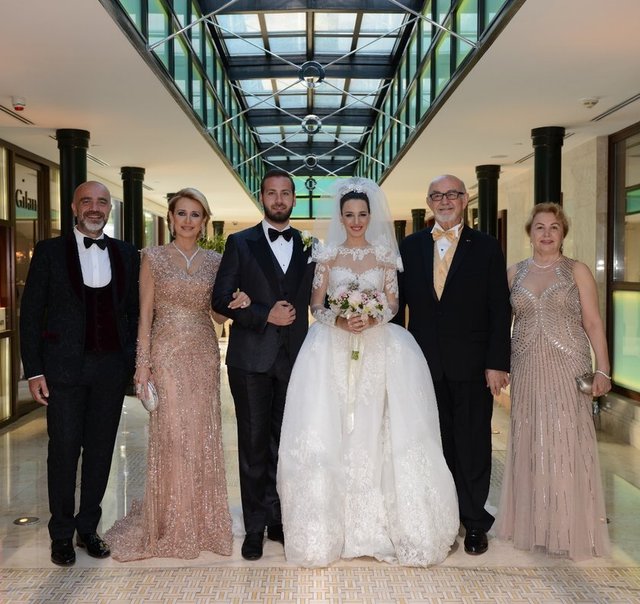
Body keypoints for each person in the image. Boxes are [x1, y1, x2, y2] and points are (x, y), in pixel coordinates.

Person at [277, 177, 459, 568]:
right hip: (332, 348)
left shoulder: (385, 255)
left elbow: (393, 303)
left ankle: (383, 524)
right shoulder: (327, 255)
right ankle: (331, 528)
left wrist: (374, 316)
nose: (356, 221)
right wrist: (341, 320)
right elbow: (315, 305)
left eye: (362, 214)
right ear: (340, 217)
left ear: (370, 215)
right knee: (335, 427)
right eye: (349, 214)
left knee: (379, 428)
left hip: (379, 347)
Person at [105, 188, 248, 561]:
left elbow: (216, 315)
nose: (187, 220)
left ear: (203, 221)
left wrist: (236, 303)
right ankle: (171, 518)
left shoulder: (216, 261)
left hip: (203, 355)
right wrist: (142, 364)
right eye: (181, 213)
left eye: (195, 214)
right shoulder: (152, 258)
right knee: (172, 435)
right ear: (170, 218)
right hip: (166, 354)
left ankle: (201, 517)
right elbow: (145, 314)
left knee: (201, 435)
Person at [19, 181, 139, 566]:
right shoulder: (49, 252)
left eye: (102, 202)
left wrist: (131, 362)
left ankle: (88, 528)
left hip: (110, 371)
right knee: (64, 451)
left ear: (110, 209)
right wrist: (34, 370)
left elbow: (133, 312)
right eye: (87, 201)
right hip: (63, 370)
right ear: (74, 207)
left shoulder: (126, 253)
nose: (94, 208)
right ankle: (61, 534)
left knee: (101, 452)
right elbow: (31, 313)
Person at [396, 174, 511, 556]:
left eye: (452, 194)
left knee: (473, 443)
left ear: (464, 200)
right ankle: (442, 519)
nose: (444, 201)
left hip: (474, 365)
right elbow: (397, 307)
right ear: (429, 201)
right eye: (437, 195)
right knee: (434, 443)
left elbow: (499, 308)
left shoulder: (487, 246)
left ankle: (475, 521)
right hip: (423, 363)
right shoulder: (410, 246)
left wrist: (497, 363)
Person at [495, 202, 611, 560]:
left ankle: (569, 527)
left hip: (568, 365)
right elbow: (500, 325)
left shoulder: (577, 271)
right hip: (527, 365)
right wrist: (497, 365)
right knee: (531, 440)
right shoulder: (513, 272)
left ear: (563, 234)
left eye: (554, 228)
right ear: (529, 233)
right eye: (540, 227)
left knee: (566, 442)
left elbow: (593, 322)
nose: (546, 234)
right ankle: (534, 525)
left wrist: (604, 369)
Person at [211, 169, 315, 561]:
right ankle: (254, 527)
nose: (279, 199)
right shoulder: (240, 242)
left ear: (294, 199)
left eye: (285, 193)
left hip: (296, 359)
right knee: (253, 446)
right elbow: (220, 298)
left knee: (284, 444)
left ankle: (278, 519)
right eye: (272, 193)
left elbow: (321, 296)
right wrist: (262, 313)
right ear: (262, 197)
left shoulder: (310, 245)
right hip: (250, 360)